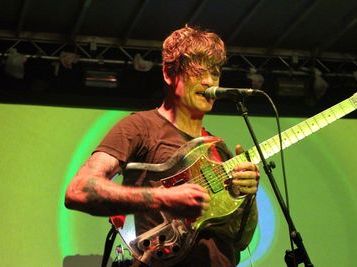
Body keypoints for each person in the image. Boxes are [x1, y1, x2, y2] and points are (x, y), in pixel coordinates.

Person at [65, 25, 260, 267]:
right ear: (169, 73)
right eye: (198, 69)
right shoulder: (139, 127)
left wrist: (248, 198)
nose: (209, 80)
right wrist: (163, 197)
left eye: (215, 71)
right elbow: (79, 190)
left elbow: (240, 240)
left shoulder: (218, 149)